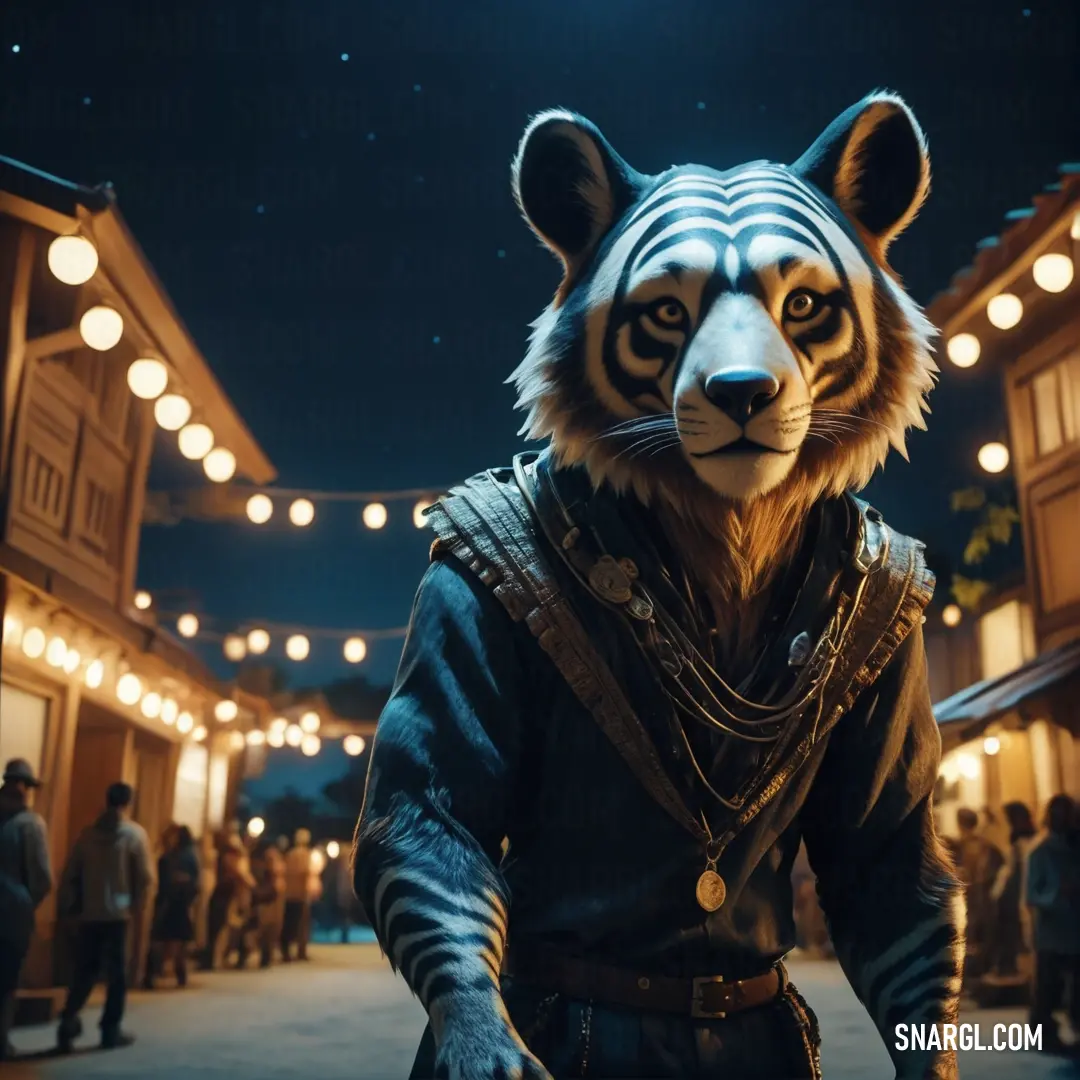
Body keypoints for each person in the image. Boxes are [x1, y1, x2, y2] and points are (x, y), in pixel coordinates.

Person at [354, 94, 965, 1079]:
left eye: (803, 306)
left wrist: (935, 1051)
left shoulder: (870, 589)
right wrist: (468, 1012)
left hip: (760, 1047)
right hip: (549, 1042)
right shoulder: (500, 554)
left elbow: (889, 861)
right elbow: (425, 818)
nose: (739, 369)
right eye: (667, 316)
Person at [56, 782, 152, 1053]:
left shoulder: (87, 835)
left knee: (84, 972)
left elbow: (71, 874)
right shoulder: (134, 835)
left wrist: (69, 909)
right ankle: (110, 1030)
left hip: (90, 914)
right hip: (118, 916)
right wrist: (136, 907)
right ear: (128, 802)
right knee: (117, 976)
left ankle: (67, 1022)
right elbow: (144, 878)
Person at [0, 759, 52, 1061]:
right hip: (12, 917)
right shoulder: (30, 824)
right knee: (6, 982)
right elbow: (42, 878)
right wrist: (26, 902)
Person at [1026, 794, 1080, 1054]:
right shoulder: (1041, 851)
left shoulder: (1074, 848)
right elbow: (1032, 895)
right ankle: (1043, 1034)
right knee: (1047, 989)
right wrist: (1059, 893)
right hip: (1051, 933)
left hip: (1074, 930)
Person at [988, 802, 1037, 977]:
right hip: (1011, 900)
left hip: (1018, 899)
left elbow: (1018, 876)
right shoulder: (1016, 844)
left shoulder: (1026, 845)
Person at [147, 826, 199, 987]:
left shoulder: (179, 856)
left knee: (167, 939)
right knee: (173, 940)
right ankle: (174, 973)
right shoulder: (179, 855)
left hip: (172, 901)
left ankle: (160, 973)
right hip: (175, 901)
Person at [954, 807, 1004, 966]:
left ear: (960, 824)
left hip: (967, 895)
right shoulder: (986, 845)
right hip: (983, 895)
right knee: (982, 935)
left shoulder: (958, 846)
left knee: (968, 935)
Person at [281, 829, 312, 962]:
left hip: (288, 894)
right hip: (300, 894)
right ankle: (300, 951)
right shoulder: (306, 855)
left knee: (289, 923)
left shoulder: (290, 854)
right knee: (300, 924)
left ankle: (287, 951)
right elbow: (304, 873)